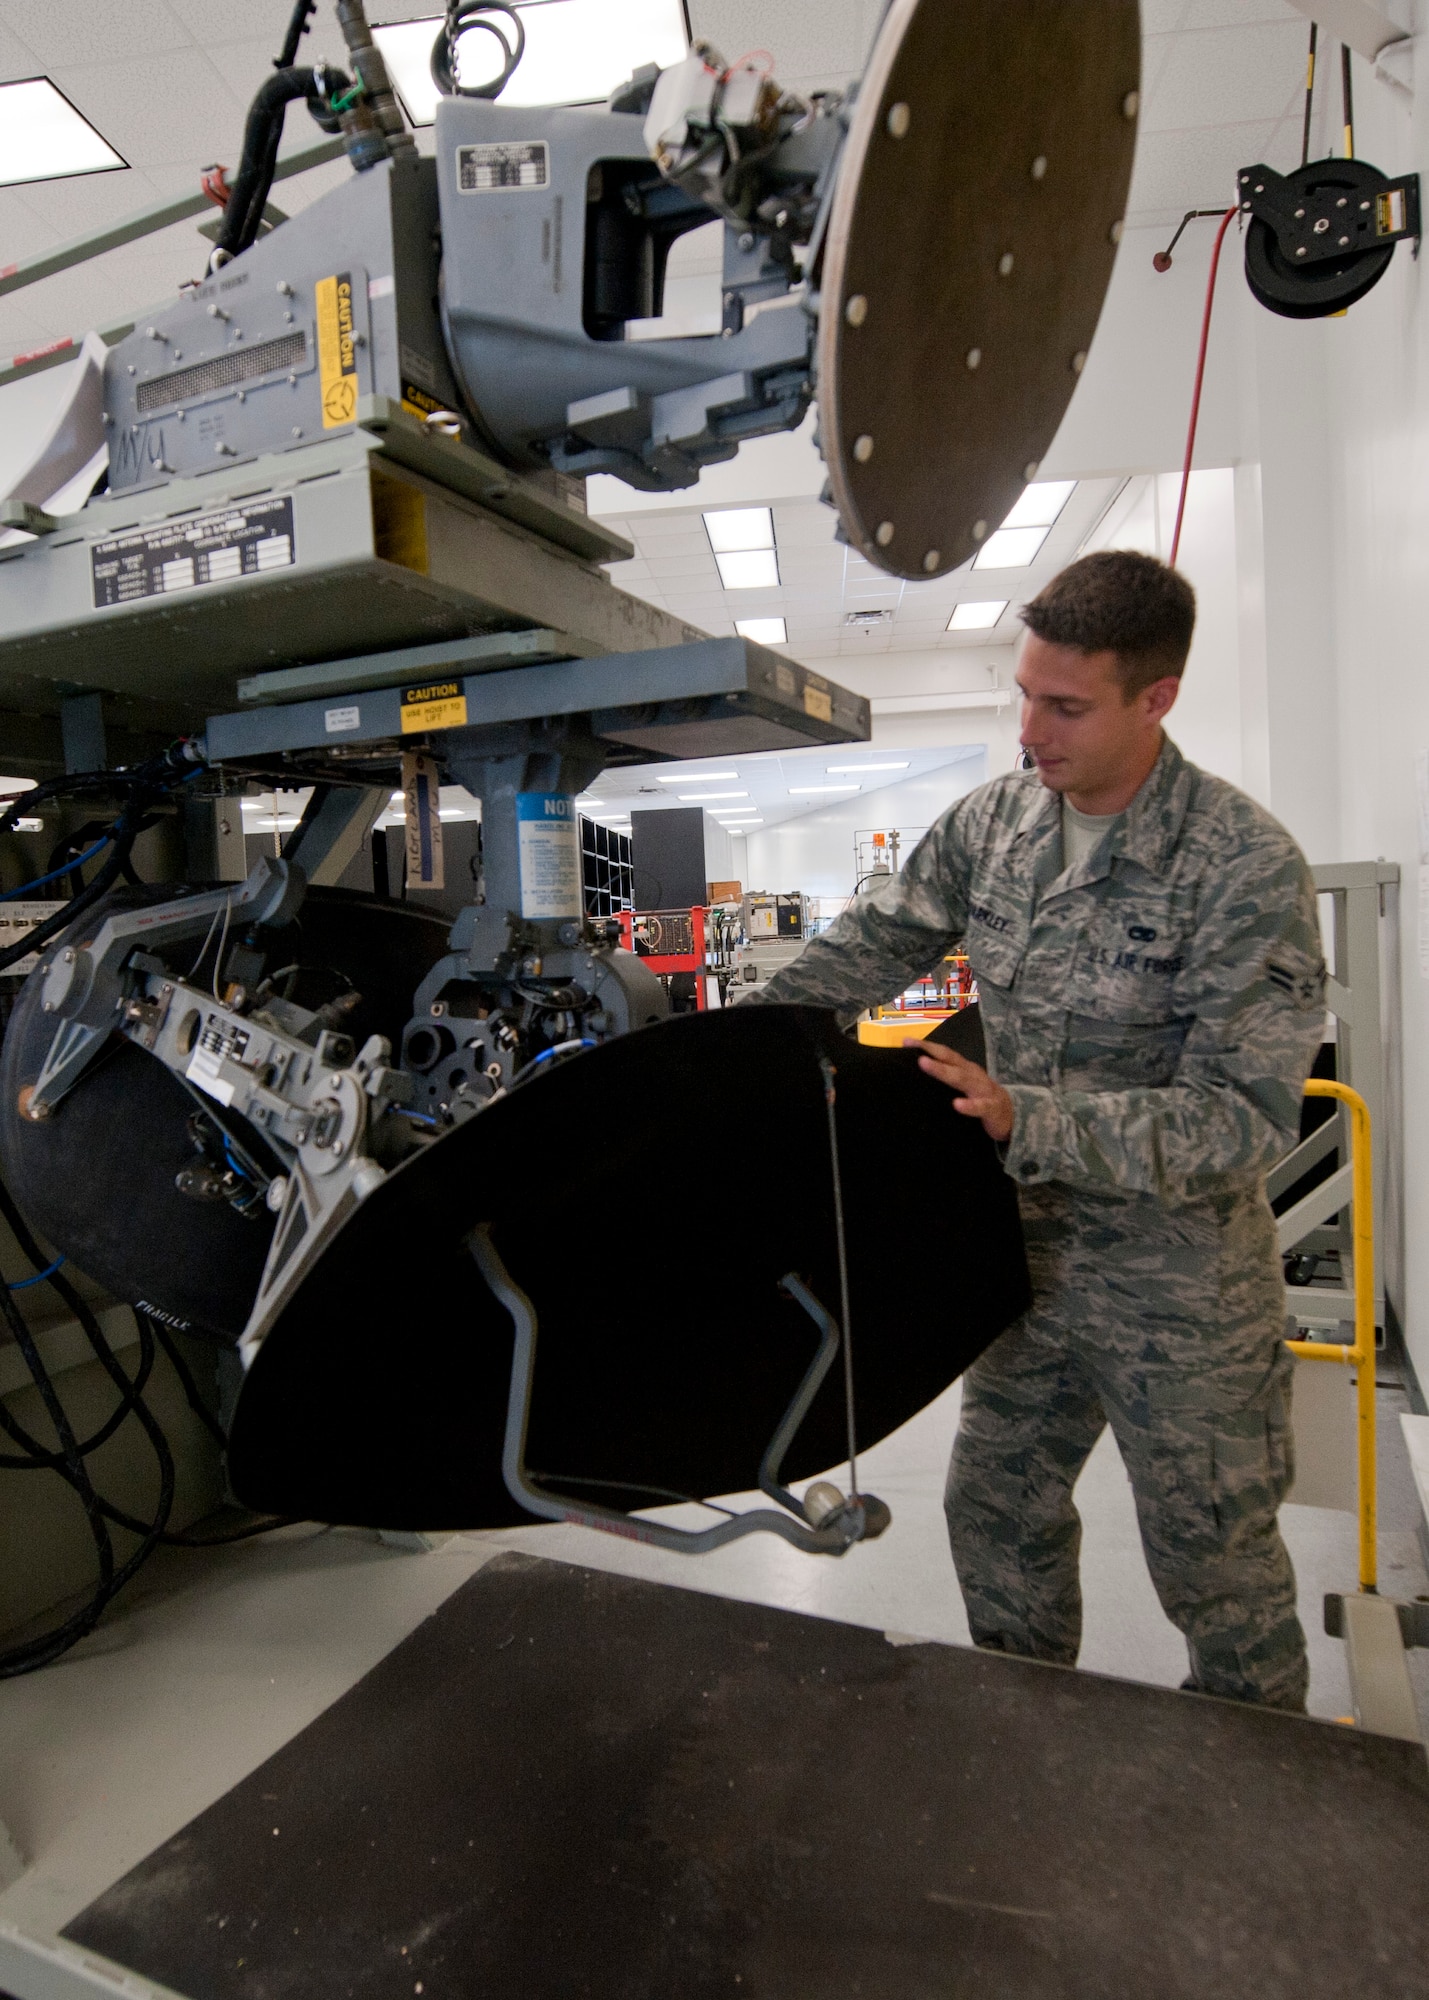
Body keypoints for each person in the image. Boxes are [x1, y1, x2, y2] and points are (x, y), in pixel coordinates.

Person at [750, 550, 1326, 1710]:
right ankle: (1028, 1744)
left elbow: (1241, 1116)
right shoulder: (996, 823)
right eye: (1023, 692)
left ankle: (1268, 1798)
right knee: (997, 1512)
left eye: (1064, 705)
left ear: (1153, 698)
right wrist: (733, 1053)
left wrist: (1033, 1120)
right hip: (1024, 1266)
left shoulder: (1242, 865)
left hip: (1183, 1293)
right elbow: (871, 943)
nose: (1032, 727)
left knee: (1214, 1564)